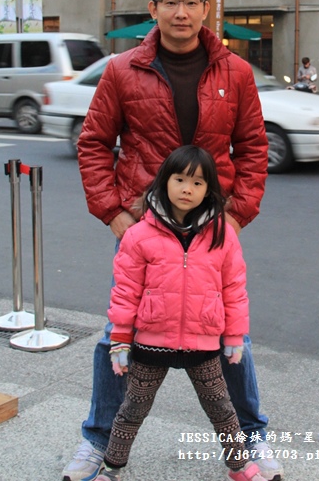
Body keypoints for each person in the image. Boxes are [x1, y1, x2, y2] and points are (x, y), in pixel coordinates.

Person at [63, 0, 282, 481]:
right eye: (170, 2)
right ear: (153, 8)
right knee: (118, 333)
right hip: (144, 227)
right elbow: (94, 143)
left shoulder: (235, 72)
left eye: (190, 2)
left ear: (206, 8)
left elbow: (253, 147)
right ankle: (97, 442)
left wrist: (237, 216)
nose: (180, 12)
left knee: (232, 334)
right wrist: (115, 214)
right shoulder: (122, 70)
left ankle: (250, 438)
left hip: (213, 226)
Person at [94, 146, 266, 481]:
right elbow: (126, 290)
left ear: (209, 190)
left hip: (203, 343)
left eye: (198, 183)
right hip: (151, 342)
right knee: (132, 410)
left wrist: (234, 335)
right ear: (164, 181)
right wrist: (120, 338)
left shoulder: (222, 235)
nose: (188, 189)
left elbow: (234, 289)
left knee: (222, 409)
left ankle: (241, 466)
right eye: (180, 179)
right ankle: (111, 467)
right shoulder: (139, 235)